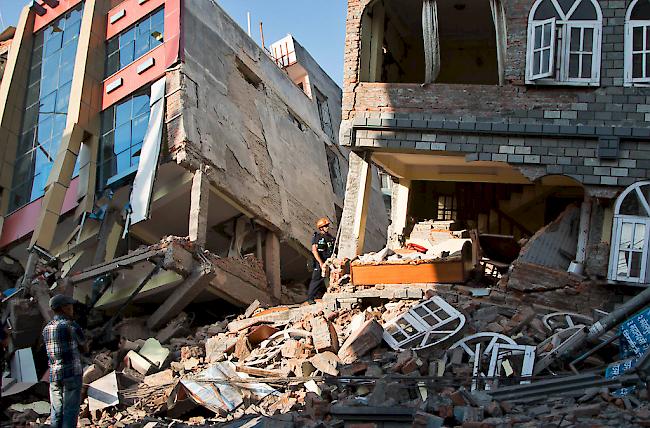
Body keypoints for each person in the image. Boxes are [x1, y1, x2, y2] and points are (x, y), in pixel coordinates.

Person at [43, 294, 86, 428]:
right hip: (72, 373)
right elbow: (85, 348)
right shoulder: (72, 326)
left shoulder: (46, 329)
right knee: (70, 411)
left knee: (56, 411)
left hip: (54, 375)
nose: (72, 308)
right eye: (70, 306)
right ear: (64, 308)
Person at [306, 217, 336, 304]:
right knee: (316, 280)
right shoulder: (317, 237)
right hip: (319, 262)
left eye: (327, 225)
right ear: (321, 228)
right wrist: (321, 263)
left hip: (329, 262)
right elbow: (314, 251)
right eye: (325, 226)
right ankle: (310, 298)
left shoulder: (330, 237)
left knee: (331, 279)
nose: (327, 227)